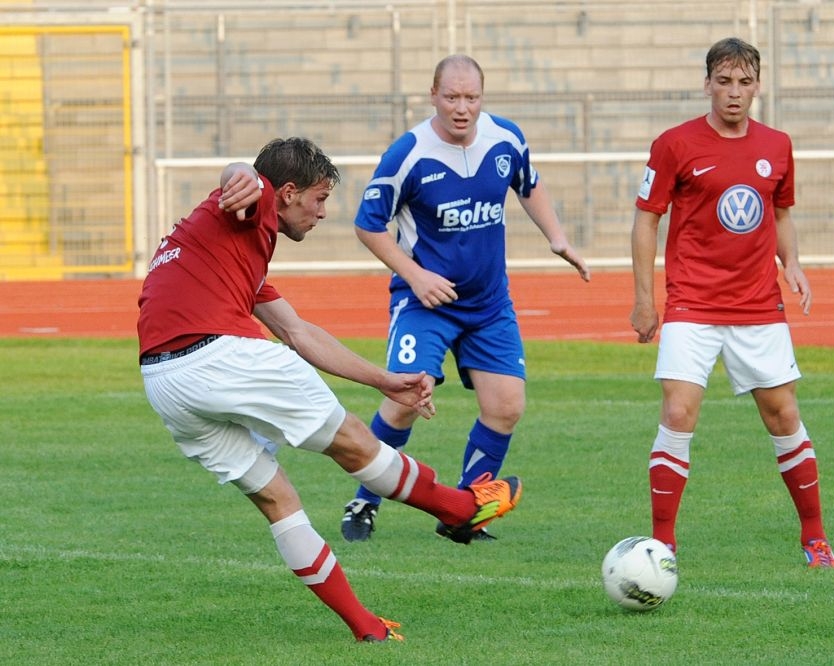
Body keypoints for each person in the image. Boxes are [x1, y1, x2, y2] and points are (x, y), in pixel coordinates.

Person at [136, 137, 523, 643]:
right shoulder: (248, 208)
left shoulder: (230, 255)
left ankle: (365, 628)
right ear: (289, 192)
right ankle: (461, 509)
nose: (322, 213)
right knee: (355, 444)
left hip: (165, 382)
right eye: (319, 199)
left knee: (278, 500)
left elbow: (300, 334)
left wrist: (386, 381)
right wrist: (243, 176)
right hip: (217, 355)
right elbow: (245, 179)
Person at [340, 54, 590, 543]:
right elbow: (368, 225)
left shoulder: (507, 139)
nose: (462, 108)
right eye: (451, 97)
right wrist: (415, 277)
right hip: (425, 304)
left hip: (489, 303)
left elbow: (529, 185)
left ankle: (464, 510)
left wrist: (556, 237)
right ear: (433, 94)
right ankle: (363, 501)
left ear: (483, 97)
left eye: (471, 97)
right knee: (404, 399)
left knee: (506, 406)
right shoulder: (407, 154)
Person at [629, 38, 834, 568]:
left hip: (757, 307)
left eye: (745, 83)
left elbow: (781, 213)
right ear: (707, 84)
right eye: (724, 82)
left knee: (783, 415)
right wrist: (644, 299)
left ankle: (814, 538)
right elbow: (646, 219)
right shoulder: (674, 144)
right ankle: (663, 545)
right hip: (692, 305)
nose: (734, 94)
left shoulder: (778, 145)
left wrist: (791, 262)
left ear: (757, 87)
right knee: (678, 413)